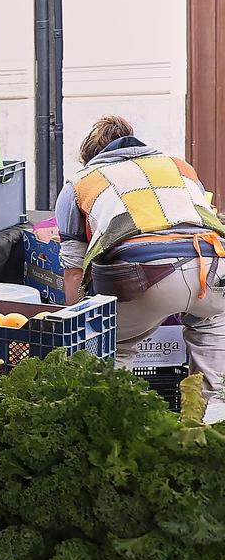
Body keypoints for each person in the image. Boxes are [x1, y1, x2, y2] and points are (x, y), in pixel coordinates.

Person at [58, 116, 225, 422]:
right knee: (211, 331)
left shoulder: (80, 183)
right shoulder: (179, 167)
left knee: (114, 348)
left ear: (90, 156)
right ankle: (213, 427)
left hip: (143, 274)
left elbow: (73, 270)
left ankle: (112, 430)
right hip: (212, 267)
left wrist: (79, 325)